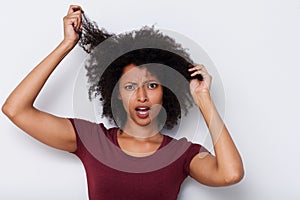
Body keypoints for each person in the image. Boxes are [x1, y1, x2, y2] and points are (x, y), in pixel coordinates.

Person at [2, 5, 244, 200]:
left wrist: (204, 99)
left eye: (151, 85)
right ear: (116, 93)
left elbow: (231, 174)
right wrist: (66, 45)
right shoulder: (93, 141)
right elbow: (15, 110)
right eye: (130, 86)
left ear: (165, 91)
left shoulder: (181, 153)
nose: (141, 97)